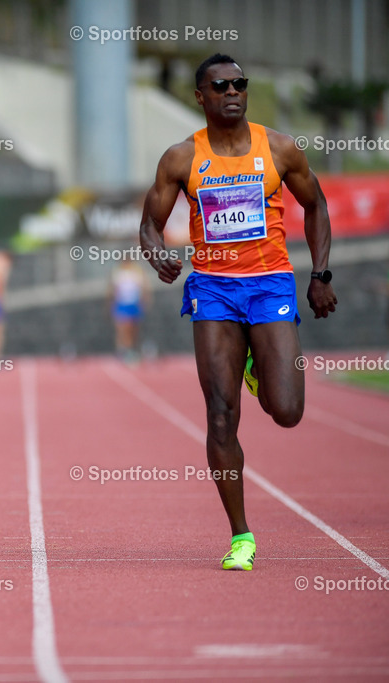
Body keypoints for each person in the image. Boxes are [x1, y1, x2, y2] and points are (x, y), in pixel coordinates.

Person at [140, 54, 337, 570]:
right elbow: (149, 224)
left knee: (288, 412)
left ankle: (257, 369)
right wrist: (157, 251)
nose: (232, 91)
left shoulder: (279, 148)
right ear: (200, 97)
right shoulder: (182, 158)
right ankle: (241, 536)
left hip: (270, 283)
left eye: (240, 84)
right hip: (213, 291)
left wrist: (319, 275)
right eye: (220, 85)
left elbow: (315, 205)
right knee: (221, 416)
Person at [109, 253, 149, 363]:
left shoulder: (136, 271)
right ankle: (123, 351)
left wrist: (144, 300)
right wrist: (111, 303)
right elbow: (112, 288)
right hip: (122, 304)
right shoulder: (118, 271)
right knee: (122, 329)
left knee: (133, 330)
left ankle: (132, 350)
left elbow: (143, 286)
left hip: (134, 303)